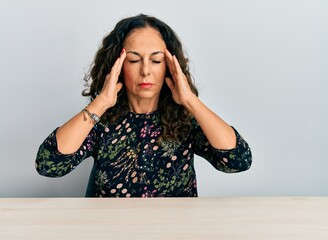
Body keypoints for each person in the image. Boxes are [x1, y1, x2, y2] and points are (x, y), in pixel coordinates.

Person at [35, 14, 252, 197]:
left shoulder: (184, 121)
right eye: (134, 60)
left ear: (169, 66)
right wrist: (101, 102)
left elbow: (238, 161)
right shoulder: (101, 121)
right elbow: (49, 165)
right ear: (118, 66)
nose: (146, 70)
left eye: (156, 61)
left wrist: (190, 102)